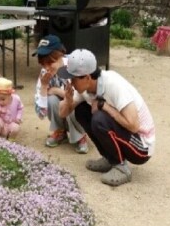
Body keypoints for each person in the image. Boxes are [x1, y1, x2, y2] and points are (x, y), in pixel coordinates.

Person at [57, 49, 155, 186]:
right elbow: (62, 113)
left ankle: (121, 167)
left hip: (141, 146)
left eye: (73, 78)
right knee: (81, 110)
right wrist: (68, 100)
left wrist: (104, 106)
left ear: (87, 77)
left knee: (100, 118)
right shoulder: (86, 89)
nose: (71, 82)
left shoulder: (113, 84)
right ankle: (110, 158)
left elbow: (134, 126)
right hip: (128, 136)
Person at [33, 35, 89, 153]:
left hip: (79, 110)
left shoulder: (75, 66)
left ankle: (80, 135)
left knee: (71, 102)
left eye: (49, 62)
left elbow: (84, 97)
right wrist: (44, 87)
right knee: (51, 99)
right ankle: (60, 131)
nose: (46, 67)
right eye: (43, 63)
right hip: (64, 109)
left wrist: (57, 91)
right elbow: (41, 114)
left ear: (60, 55)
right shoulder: (45, 73)